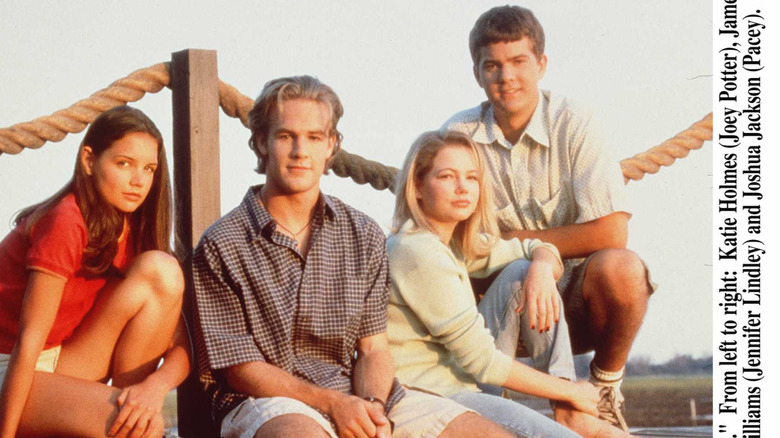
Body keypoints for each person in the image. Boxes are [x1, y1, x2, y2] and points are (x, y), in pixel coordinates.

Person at [192, 75, 513, 438]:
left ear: (332, 146)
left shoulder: (362, 233)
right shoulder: (223, 243)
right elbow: (240, 368)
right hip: (264, 401)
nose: (301, 151)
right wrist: (332, 405)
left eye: (314, 137)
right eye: (286, 136)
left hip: (356, 392)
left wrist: (372, 406)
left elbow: (374, 349)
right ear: (261, 143)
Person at [442, 6, 656, 431]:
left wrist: (533, 249)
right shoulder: (458, 135)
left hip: (577, 303)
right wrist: (526, 259)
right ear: (477, 73)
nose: (507, 77)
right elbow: (443, 236)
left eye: (519, 62)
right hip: (501, 303)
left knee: (624, 269)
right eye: (493, 66)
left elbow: (613, 231)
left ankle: (603, 388)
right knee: (492, 270)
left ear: (541, 64)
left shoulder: (575, 123)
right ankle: (482, 404)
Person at [387, 130, 633, 438]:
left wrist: (542, 268)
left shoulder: (453, 243)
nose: (463, 188)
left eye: (472, 178)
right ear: (418, 187)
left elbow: (533, 248)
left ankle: (570, 414)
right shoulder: (418, 251)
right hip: (435, 398)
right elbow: (482, 362)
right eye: (447, 177)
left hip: (462, 384)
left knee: (522, 271)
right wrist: (569, 391)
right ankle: (570, 406)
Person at [0, 105, 190, 438]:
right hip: (10, 366)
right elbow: (28, 342)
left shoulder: (133, 231)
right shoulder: (65, 221)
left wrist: (153, 390)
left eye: (149, 169)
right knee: (141, 429)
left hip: (61, 360)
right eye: (123, 164)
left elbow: (181, 346)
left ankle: (118, 408)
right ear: (89, 161)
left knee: (163, 271)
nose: (138, 180)